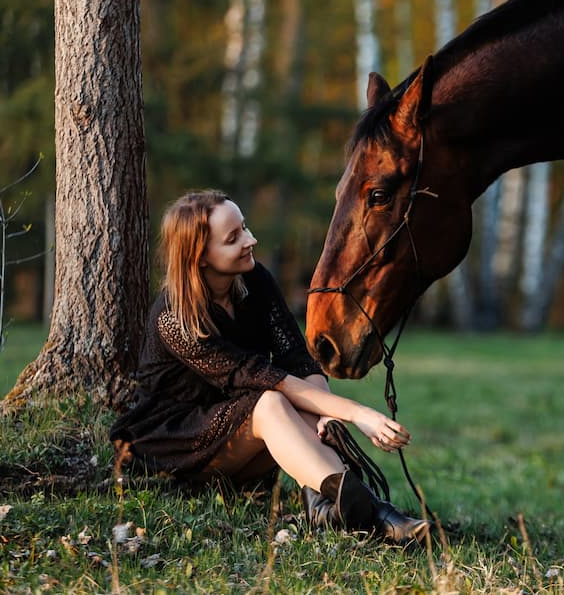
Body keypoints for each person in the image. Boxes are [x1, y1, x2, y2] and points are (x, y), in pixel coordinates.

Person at [110, 190, 429, 543]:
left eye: (244, 227)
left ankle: (327, 504)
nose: (251, 240)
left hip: (244, 434)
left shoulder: (255, 280)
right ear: (200, 257)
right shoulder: (175, 319)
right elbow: (265, 378)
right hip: (177, 442)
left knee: (290, 397)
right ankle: (377, 514)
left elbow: (296, 358)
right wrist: (358, 413)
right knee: (274, 399)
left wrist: (326, 418)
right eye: (234, 238)